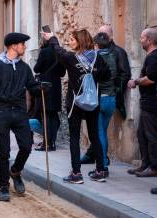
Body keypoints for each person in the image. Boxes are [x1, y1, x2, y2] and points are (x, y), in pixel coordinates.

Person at [42, 29, 110, 184]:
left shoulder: (72, 58)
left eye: (72, 39)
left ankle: (76, 173)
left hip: (75, 102)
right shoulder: (96, 58)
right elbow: (107, 75)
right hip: (93, 101)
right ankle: (100, 170)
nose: (70, 42)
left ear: (80, 41)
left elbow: (58, 51)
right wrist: (93, 76)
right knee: (94, 136)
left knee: (74, 137)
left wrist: (52, 37)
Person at [0, 32, 38, 201]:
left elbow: (32, 87)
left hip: (20, 111)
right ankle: (3, 187)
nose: (24, 47)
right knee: (3, 151)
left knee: (27, 146)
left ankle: (16, 171)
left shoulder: (24, 68)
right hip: (2, 111)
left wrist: (41, 88)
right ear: (13, 46)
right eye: (22, 44)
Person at [81, 25, 132, 164]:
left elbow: (124, 74)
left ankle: (102, 162)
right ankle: (95, 155)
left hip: (104, 97)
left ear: (110, 37)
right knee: (100, 130)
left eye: (103, 35)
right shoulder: (100, 54)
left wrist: (115, 91)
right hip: (108, 98)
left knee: (99, 131)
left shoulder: (115, 53)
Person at [127, 28, 157, 177]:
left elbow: (151, 78)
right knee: (142, 134)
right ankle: (145, 164)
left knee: (151, 135)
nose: (140, 40)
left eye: (142, 37)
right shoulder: (151, 56)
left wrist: (135, 81)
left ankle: (154, 168)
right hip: (147, 102)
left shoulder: (154, 58)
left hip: (152, 103)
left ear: (149, 40)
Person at [84, 32, 120, 177]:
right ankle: (102, 162)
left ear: (96, 45)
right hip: (111, 98)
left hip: (100, 98)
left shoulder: (96, 58)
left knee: (99, 135)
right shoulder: (114, 55)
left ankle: (103, 166)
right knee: (102, 133)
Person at [30, 38, 66, 151]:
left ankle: (47, 143)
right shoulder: (60, 52)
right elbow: (62, 72)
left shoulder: (44, 52)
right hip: (56, 87)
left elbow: (36, 69)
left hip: (45, 86)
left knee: (46, 116)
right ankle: (52, 142)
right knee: (53, 115)